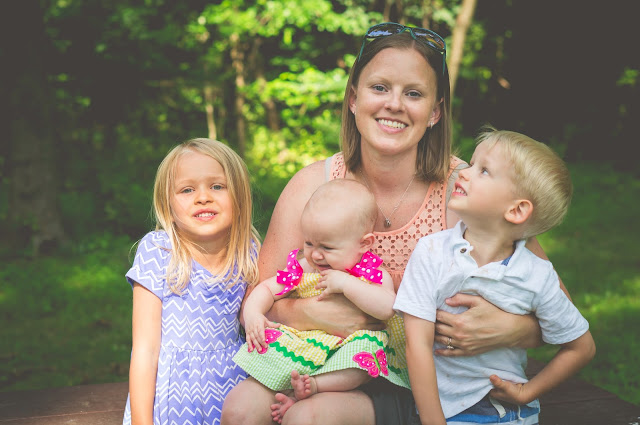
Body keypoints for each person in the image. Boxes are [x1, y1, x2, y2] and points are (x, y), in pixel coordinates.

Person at [222, 22, 568, 425]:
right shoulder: (314, 186)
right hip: (319, 359)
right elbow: (261, 297)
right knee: (241, 411)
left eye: (414, 93)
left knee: (310, 418)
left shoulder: (466, 190)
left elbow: (554, 308)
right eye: (380, 87)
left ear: (435, 112)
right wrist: (317, 316)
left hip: (432, 381)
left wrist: (511, 329)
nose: (394, 104)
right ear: (354, 99)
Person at [395, 128, 596, 425]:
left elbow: (581, 347)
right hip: (444, 413)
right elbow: (417, 345)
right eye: (471, 164)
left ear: (516, 210)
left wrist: (527, 392)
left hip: (511, 414)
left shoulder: (536, 276)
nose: (464, 172)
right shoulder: (432, 252)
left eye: (484, 171)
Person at [233, 179, 404, 423]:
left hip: (349, 350)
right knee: (274, 354)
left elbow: (387, 308)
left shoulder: (371, 274)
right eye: (309, 243)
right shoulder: (305, 267)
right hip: (307, 346)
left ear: (364, 244)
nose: (315, 254)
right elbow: (267, 289)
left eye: (327, 247)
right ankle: (291, 385)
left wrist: (347, 284)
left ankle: (315, 385)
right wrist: (253, 314)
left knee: (363, 360)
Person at [122, 138, 261, 425]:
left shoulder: (248, 252)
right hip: (173, 395)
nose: (203, 197)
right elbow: (145, 350)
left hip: (232, 387)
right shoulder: (159, 251)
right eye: (187, 190)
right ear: (168, 205)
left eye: (217, 186)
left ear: (240, 196)